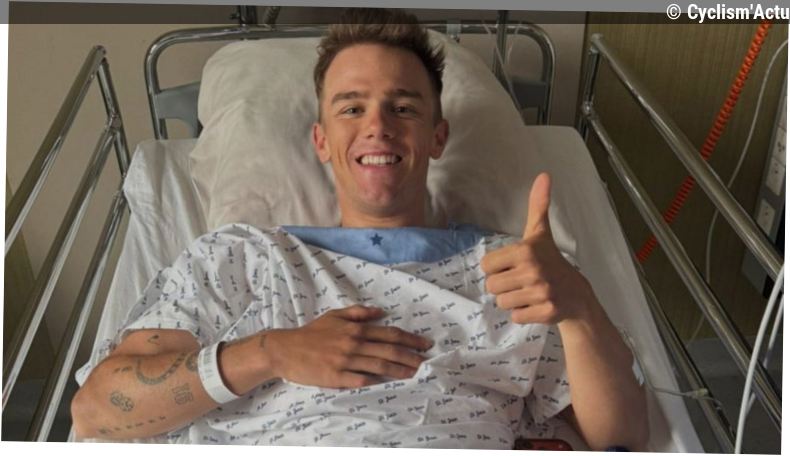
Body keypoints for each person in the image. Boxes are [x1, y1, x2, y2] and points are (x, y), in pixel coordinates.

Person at [71, 8, 648, 450]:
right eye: (351, 108)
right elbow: (97, 410)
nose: (378, 126)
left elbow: (622, 437)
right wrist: (271, 353)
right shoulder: (240, 259)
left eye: (404, 108)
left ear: (437, 137)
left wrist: (579, 307)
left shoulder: (514, 272)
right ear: (321, 141)